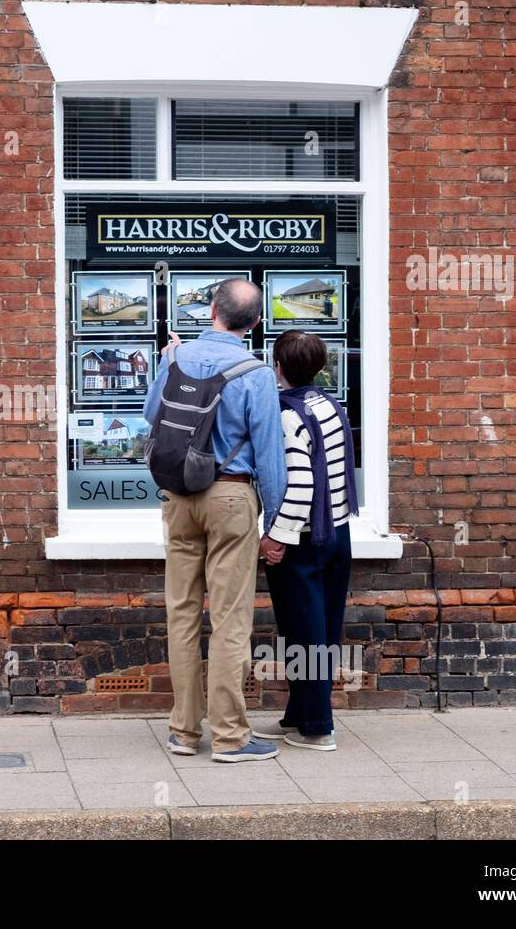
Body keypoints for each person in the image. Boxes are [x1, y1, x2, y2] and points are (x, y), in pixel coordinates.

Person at [143, 278, 287, 764]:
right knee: (230, 620)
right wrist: (276, 522)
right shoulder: (256, 372)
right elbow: (269, 454)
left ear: (211, 311)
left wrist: (166, 364)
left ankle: (183, 732)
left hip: (179, 496)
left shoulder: (177, 359)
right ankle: (230, 738)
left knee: (181, 613)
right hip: (231, 497)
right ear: (256, 323)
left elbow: (150, 415)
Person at [255, 331, 358, 752]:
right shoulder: (328, 404)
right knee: (321, 629)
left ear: (278, 366)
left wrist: (275, 538)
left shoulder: (289, 414)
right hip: (337, 531)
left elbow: (299, 484)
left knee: (306, 635)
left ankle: (317, 728)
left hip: (303, 538)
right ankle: (299, 716)